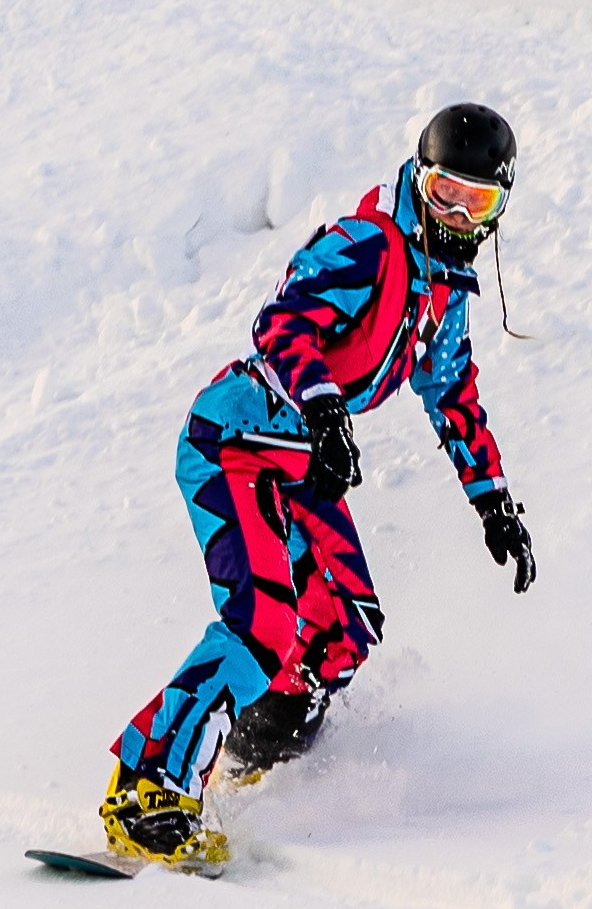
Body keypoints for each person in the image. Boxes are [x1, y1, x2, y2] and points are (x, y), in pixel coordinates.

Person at [103, 102, 536, 865]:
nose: (458, 217)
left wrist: (493, 501)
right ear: (419, 180)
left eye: (478, 202)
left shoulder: (444, 291)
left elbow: (452, 393)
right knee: (263, 622)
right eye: (444, 194)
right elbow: (281, 324)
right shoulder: (368, 243)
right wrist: (327, 406)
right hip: (236, 443)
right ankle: (147, 790)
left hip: (303, 463)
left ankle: (245, 757)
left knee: (343, 627)